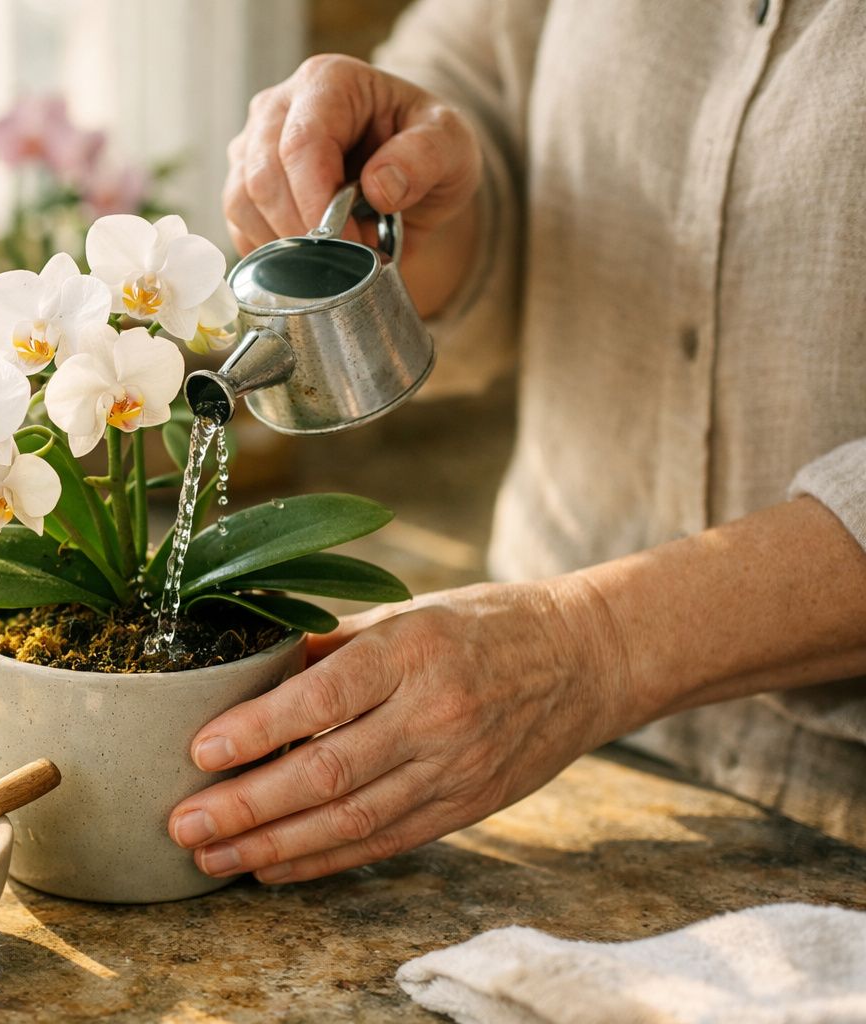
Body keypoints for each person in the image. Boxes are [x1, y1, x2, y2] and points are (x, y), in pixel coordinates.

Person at [168, 0, 866, 885]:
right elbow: (471, 89)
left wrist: (597, 643)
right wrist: (417, 208)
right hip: (536, 774)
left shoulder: (560, 664)